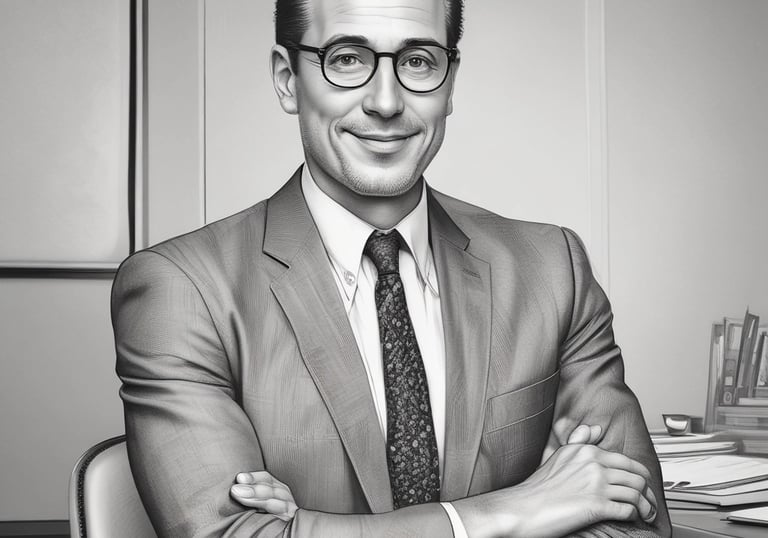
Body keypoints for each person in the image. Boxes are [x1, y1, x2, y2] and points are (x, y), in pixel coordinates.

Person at [112, 0, 671, 536]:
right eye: (347, 58)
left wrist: (313, 528)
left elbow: (635, 525)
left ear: (449, 81)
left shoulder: (552, 269)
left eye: (418, 61)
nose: (385, 101)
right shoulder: (182, 290)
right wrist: (514, 512)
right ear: (288, 79)